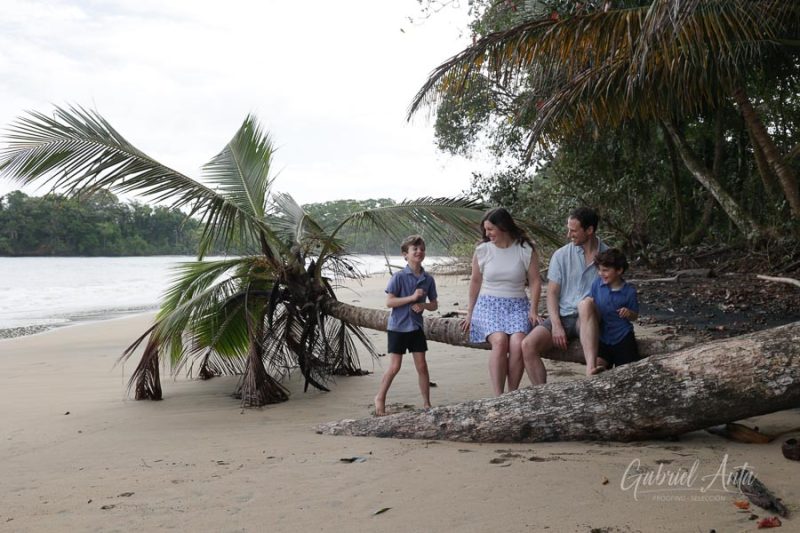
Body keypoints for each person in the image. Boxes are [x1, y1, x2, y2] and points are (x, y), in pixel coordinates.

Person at [521, 207, 608, 382]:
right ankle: (542, 394)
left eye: (573, 230)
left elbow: (614, 292)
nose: (569, 234)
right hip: (563, 314)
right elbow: (552, 294)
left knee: (587, 305)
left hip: (592, 316)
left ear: (589, 230)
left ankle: (591, 368)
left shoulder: (608, 256)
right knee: (527, 345)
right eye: (568, 229)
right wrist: (556, 325)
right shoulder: (561, 255)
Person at [462, 207, 542, 396]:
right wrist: (470, 312)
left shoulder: (525, 249)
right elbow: (475, 281)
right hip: (488, 305)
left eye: (491, 229)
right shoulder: (483, 250)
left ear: (503, 227)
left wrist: (533, 310)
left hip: (517, 305)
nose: (487, 233)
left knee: (518, 342)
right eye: (486, 229)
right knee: (499, 341)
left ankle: (511, 393)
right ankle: (498, 395)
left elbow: (535, 281)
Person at [374, 235, 438, 416]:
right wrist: (412, 298)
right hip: (397, 328)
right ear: (405, 255)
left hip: (416, 328)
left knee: (422, 366)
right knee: (395, 367)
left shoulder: (428, 279)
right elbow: (389, 303)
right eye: (414, 249)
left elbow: (434, 304)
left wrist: (423, 305)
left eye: (422, 249)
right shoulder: (399, 277)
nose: (419, 252)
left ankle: (427, 403)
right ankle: (380, 398)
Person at [585, 248, 640, 369]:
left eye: (605, 270)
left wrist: (628, 313)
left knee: (625, 374)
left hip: (623, 338)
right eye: (599, 270)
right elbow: (591, 306)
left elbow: (635, 316)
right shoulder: (596, 285)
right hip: (602, 338)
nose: (601, 273)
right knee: (598, 368)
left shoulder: (629, 292)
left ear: (619, 270)